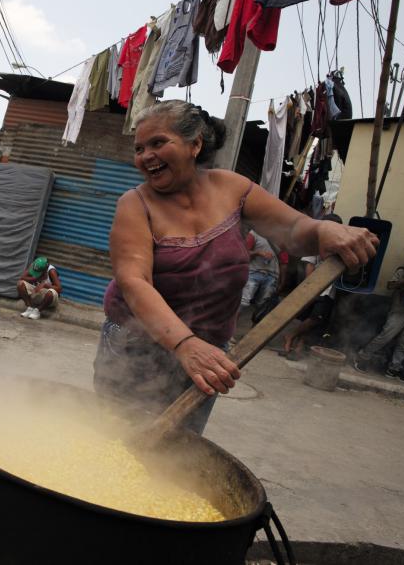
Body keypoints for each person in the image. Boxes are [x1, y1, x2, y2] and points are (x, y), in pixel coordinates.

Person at [96, 101, 377, 433]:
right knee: (119, 436)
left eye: (157, 143)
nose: (146, 156)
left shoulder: (233, 188)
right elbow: (134, 281)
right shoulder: (135, 203)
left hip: (208, 348)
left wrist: (323, 230)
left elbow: (293, 231)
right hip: (137, 342)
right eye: (139, 148)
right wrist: (185, 344)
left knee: (177, 446)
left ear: (195, 144)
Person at [355, 249, 404, 382]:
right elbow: (390, 286)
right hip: (400, 311)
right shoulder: (403, 272)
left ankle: (394, 368)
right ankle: (362, 357)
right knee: (385, 336)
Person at [281, 213, 345, 360]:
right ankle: (290, 335)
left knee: (316, 320)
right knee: (314, 318)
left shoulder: (340, 245)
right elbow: (309, 264)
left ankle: (298, 347)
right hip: (318, 289)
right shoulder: (317, 243)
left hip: (330, 290)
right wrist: (311, 287)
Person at [241, 229, 279, 309]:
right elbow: (244, 253)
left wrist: (281, 280)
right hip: (254, 273)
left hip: (272, 275)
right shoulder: (254, 233)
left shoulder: (278, 237)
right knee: (243, 302)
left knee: (264, 305)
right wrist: (258, 253)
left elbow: (283, 260)